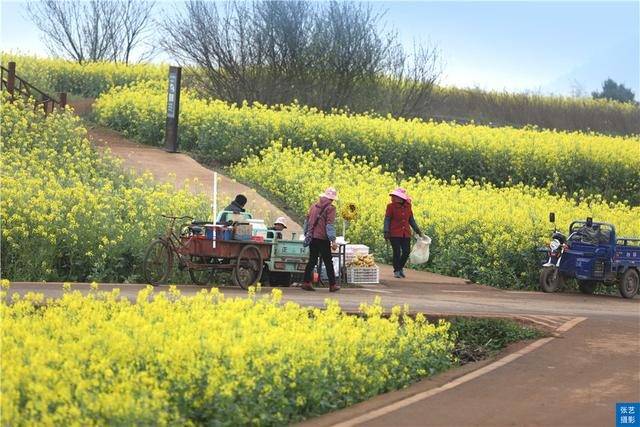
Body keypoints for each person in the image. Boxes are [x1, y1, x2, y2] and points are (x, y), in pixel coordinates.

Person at [301, 187, 340, 292]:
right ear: (331, 199)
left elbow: (307, 221)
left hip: (312, 237)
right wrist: (333, 240)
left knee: (312, 260)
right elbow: (329, 225)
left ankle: (306, 282)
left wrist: (307, 234)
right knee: (328, 261)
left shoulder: (313, 206)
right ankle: (332, 285)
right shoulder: (330, 208)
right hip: (322, 238)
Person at [383, 187, 424, 279]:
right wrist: (386, 231)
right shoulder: (390, 207)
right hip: (394, 233)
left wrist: (418, 230)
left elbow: (411, 220)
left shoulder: (408, 206)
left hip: (406, 233)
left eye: (395, 196)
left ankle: (400, 267)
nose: (393, 198)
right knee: (396, 252)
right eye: (392, 196)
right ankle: (396, 270)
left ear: (401, 198)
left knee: (406, 252)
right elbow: (387, 219)